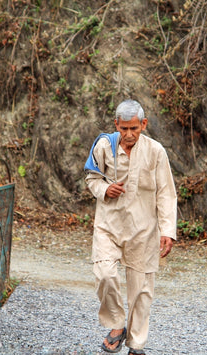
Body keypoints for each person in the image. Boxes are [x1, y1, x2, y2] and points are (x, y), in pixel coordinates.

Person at [85, 99, 177, 355]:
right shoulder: (104, 145)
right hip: (108, 225)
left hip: (144, 229)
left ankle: (136, 345)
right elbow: (92, 179)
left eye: (134, 128)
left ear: (143, 125)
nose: (128, 134)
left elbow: (167, 193)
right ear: (116, 124)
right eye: (124, 128)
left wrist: (168, 230)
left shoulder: (156, 151)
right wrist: (104, 188)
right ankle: (116, 325)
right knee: (104, 273)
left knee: (141, 290)